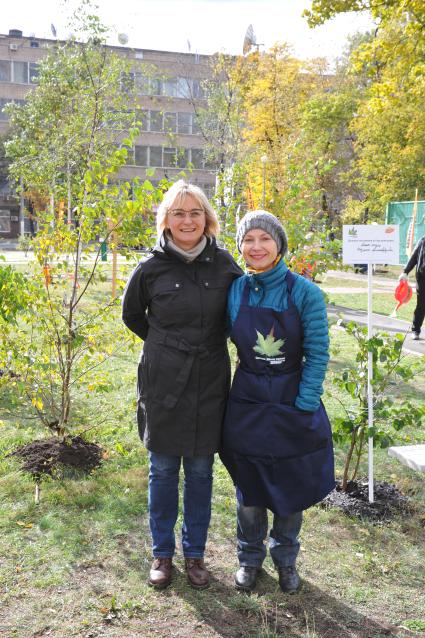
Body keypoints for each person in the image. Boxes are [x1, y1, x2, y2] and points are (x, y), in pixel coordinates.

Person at [122, 180, 242, 590]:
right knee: (163, 468)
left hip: (209, 378)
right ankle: (161, 553)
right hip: (163, 378)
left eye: (194, 213)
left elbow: (238, 316)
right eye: (178, 213)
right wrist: (167, 348)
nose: (187, 220)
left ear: (206, 219)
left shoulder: (226, 265)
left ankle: (195, 555)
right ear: (166, 221)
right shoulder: (149, 268)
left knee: (201, 470)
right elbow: (133, 317)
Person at [220, 210, 335, 594]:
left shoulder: (304, 292)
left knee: (290, 487)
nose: (256, 247)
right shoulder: (235, 290)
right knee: (249, 490)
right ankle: (249, 559)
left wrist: (304, 404)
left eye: (264, 239)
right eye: (248, 240)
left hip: (291, 399)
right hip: (247, 402)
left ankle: (285, 560)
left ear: (279, 245)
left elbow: (318, 353)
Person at [399, 234, 425, 340]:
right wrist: (405, 271)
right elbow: (414, 257)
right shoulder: (423, 239)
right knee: (421, 305)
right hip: (422, 278)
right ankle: (415, 330)